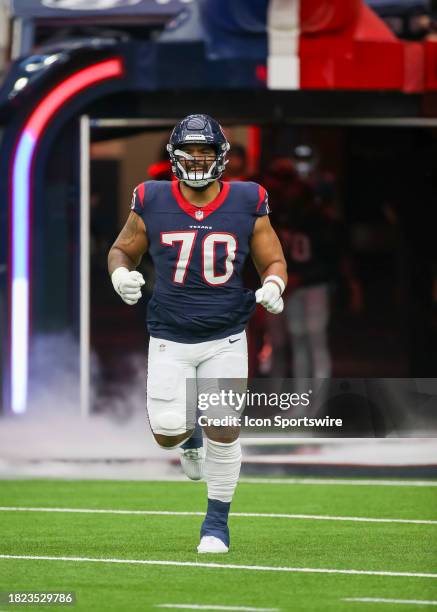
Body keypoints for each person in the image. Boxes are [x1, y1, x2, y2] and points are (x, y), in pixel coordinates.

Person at [107, 114, 287, 554]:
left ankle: (215, 525)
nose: (197, 160)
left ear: (222, 157)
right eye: (190, 152)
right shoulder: (151, 198)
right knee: (167, 431)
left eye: (206, 152)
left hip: (226, 333)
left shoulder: (248, 199)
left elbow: (273, 259)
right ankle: (188, 438)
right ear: (174, 156)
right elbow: (121, 250)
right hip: (170, 334)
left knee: (224, 428)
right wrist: (120, 274)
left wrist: (274, 285)